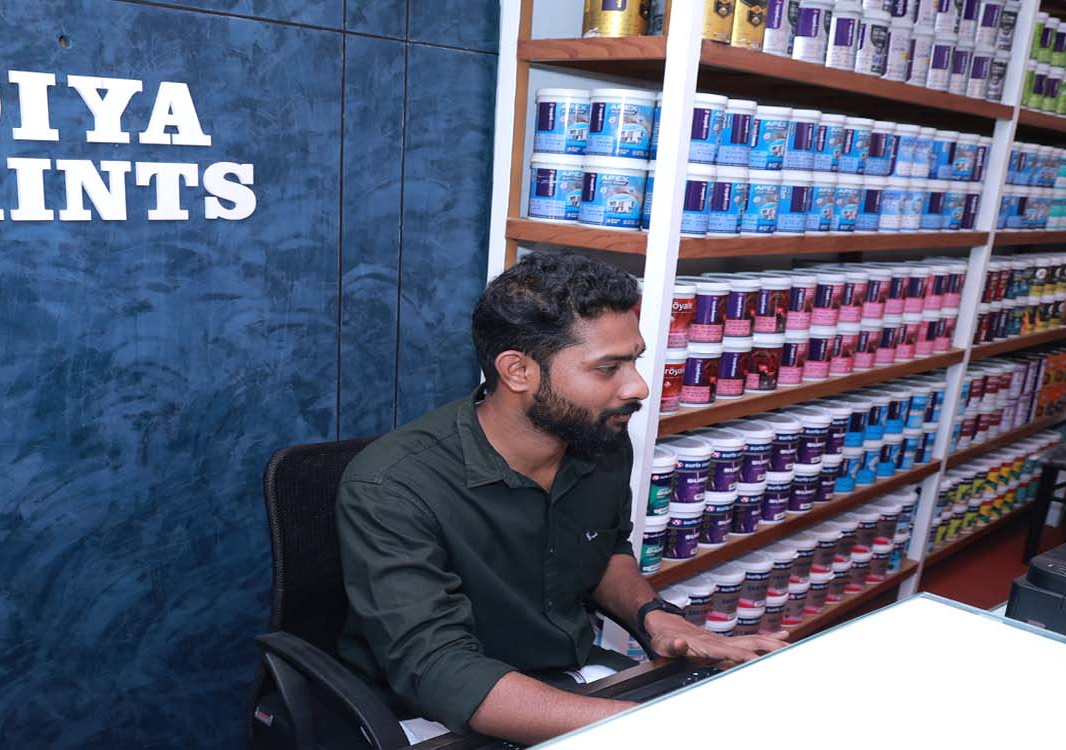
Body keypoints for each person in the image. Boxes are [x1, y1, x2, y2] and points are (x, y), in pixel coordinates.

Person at [334, 253, 788, 745]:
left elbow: (605, 547)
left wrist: (653, 617)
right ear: (518, 371)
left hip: (567, 676)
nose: (637, 386)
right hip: (435, 713)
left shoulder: (600, 435)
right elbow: (441, 672)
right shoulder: (391, 486)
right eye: (608, 367)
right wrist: (648, 729)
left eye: (634, 360)